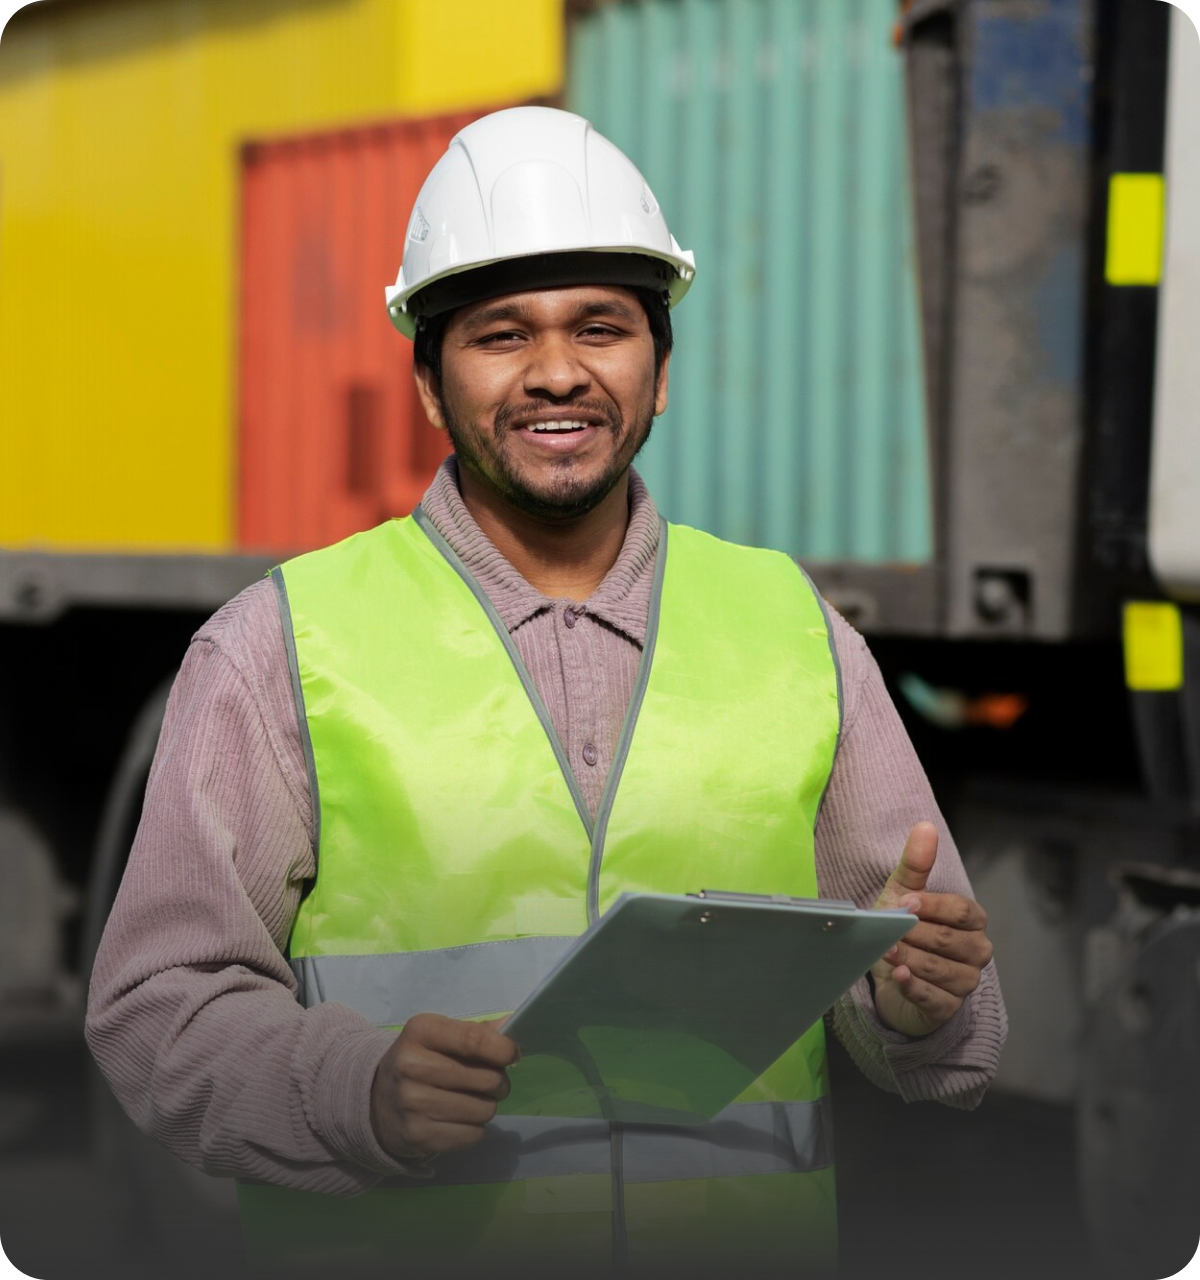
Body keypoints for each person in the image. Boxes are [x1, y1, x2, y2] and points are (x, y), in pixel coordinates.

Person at [86, 106, 1004, 1277]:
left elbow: (933, 1018)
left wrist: (917, 999)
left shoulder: (797, 630)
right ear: (429, 383)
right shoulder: (278, 646)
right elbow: (156, 1007)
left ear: (660, 373)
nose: (558, 371)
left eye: (602, 327)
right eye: (501, 334)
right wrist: (352, 1087)